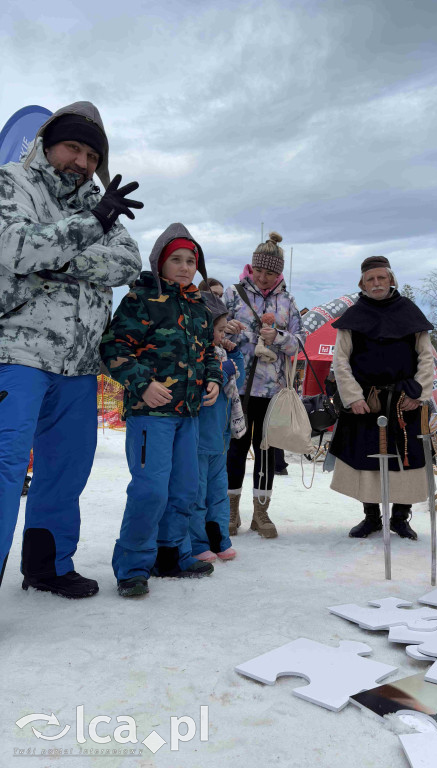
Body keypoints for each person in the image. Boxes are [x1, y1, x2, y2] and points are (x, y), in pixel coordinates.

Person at [0, 101, 143, 599]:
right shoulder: (12, 181)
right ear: (47, 143)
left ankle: (48, 565)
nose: (83, 162)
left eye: (91, 155)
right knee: (4, 466)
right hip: (16, 352)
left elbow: (127, 262)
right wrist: (89, 228)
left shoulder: (96, 201)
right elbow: (14, 247)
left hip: (80, 364)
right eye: (73, 147)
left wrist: (54, 258)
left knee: (65, 470)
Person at [100, 224, 223, 597]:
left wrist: (213, 379)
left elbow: (208, 353)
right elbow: (113, 348)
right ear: (159, 262)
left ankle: (170, 555)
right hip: (150, 416)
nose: (185, 267)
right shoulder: (140, 300)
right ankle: (133, 566)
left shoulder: (200, 307)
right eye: (177, 260)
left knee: (184, 488)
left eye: (191, 261)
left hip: (188, 414)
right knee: (150, 490)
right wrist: (143, 383)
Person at [329, 256, 435, 540]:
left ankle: (400, 518)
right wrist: (352, 397)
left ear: (391, 280)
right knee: (367, 460)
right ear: (362, 283)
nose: (376, 283)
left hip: (405, 401)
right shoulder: (354, 316)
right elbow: (341, 361)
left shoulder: (409, 312)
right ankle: (372, 517)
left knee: (406, 460)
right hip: (367, 401)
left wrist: (420, 394)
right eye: (370, 279)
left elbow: (426, 357)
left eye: (381, 278)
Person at [223, 232, 304, 538]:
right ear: (251, 267)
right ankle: (230, 511)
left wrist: (279, 338)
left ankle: (261, 512)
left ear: (279, 272)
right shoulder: (232, 295)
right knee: (236, 448)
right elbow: (213, 333)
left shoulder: (288, 300)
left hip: (273, 390)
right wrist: (232, 332)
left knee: (267, 450)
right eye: (259, 271)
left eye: (270, 273)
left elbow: (300, 342)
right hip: (238, 387)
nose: (263, 277)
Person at [188, 293, 246, 562]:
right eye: (220, 330)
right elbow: (198, 385)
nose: (223, 335)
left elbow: (238, 379)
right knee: (197, 495)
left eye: (225, 330)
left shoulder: (223, 352)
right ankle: (197, 542)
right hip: (198, 440)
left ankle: (220, 538)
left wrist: (234, 354)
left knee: (218, 495)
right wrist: (223, 368)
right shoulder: (192, 354)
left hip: (221, 439)